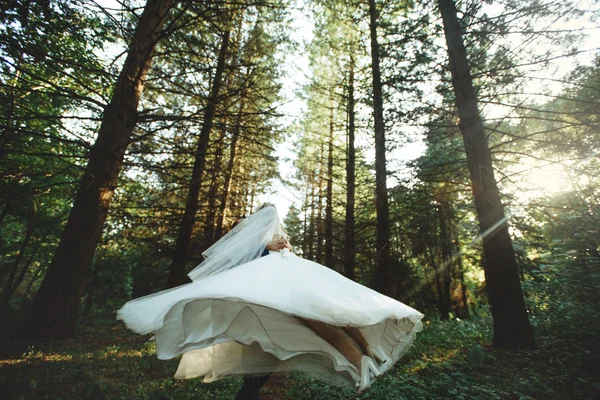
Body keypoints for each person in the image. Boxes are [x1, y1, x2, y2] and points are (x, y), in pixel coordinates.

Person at [117, 204, 423, 396]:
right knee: (262, 369)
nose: (275, 230)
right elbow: (239, 277)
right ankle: (364, 362)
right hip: (263, 318)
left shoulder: (280, 249)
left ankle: (365, 360)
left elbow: (289, 277)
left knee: (333, 320)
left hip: (283, 310)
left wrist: (278, 250)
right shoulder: (258, 251)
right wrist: (267, 248)